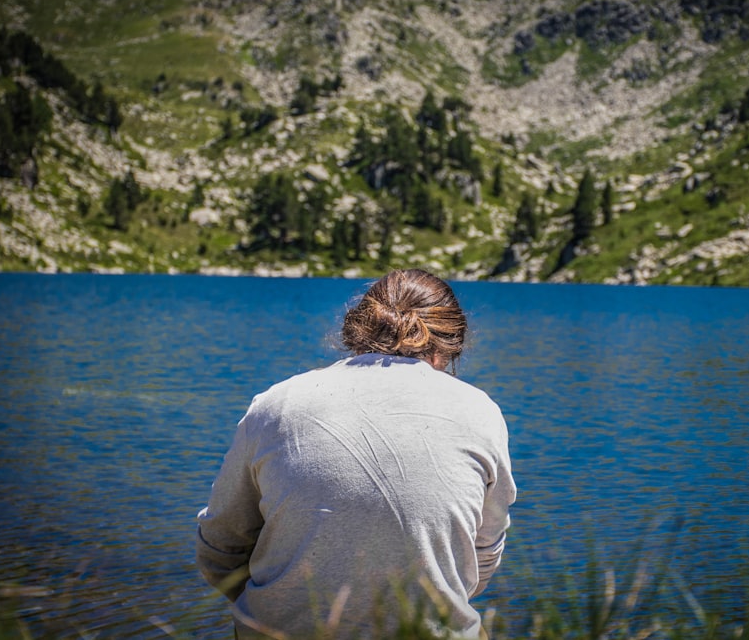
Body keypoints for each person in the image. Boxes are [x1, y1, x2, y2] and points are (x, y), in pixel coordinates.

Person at [196, 269, 517, 639]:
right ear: (451, 344)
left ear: (358, 328)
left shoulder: (277, 404)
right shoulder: (480, 412)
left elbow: (220, 548)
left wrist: (271, 610)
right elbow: (482, 557)